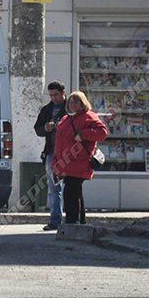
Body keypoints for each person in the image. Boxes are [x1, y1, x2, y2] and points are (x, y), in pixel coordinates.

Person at [52, 91, 108, 225]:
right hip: (66, 162)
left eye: (76, 101)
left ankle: (72, 222)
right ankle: (79, 222)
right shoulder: (66, 119)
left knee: (70, 192)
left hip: (79, 162)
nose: (72, 104)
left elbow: (102, 132)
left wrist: (83, 135)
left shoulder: (89, 116)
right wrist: (56, 162)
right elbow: (59, 142)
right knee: (75, 193)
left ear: (83, 103)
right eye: (71, 101)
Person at [34, 80, 68, 231]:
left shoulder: (71, 107)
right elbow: (37, 129)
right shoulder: (47, 109)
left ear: (63, 93)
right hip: (52, 153)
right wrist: (45, 128)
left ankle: (75, 220)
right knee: (54, 188)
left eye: (56, 95)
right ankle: (55, 220)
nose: (53, 98)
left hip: (70, 153)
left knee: (72, 188)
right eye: (51, 95)